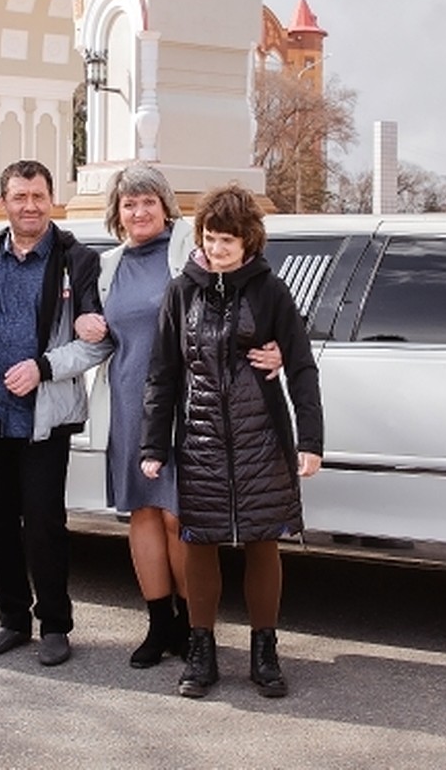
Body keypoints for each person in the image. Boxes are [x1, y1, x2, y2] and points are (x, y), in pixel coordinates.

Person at [80, 163, 283, 670]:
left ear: (167, 206)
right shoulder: (107, 267)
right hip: (129, 403)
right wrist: (56, 356)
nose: (139, 211)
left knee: (180, 518)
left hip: (191, 401)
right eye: (129, 203)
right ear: (117, 212)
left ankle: (197, 630)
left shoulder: (190, 251)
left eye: (148, 201)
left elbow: (247, 295)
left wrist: (275, 349)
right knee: (143, 515)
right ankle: (159, 625)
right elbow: (102, 339)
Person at [140, 183, 323, 699]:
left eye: (226, 240)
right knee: (200, 540)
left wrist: (310, 439)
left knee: (264, 539)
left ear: (249, 242)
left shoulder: (270, 291)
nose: (216, 249)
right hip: (199, 440)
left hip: (261, 440)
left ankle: (265, 650)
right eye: (209, 238)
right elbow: (162, 375)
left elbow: (303, 367)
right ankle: (202, 650)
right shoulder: (182, 291)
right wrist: (153, 446)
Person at [0, 159, 104, 667]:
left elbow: (97, 342)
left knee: (44, 522)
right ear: (4, 201)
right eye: (20, 197)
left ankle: (55, 625)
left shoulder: (77, 261)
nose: (29, 206)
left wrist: (43, 368)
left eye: (38, 196)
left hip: (44, 417)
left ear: (53, 199)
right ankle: (12, 621)